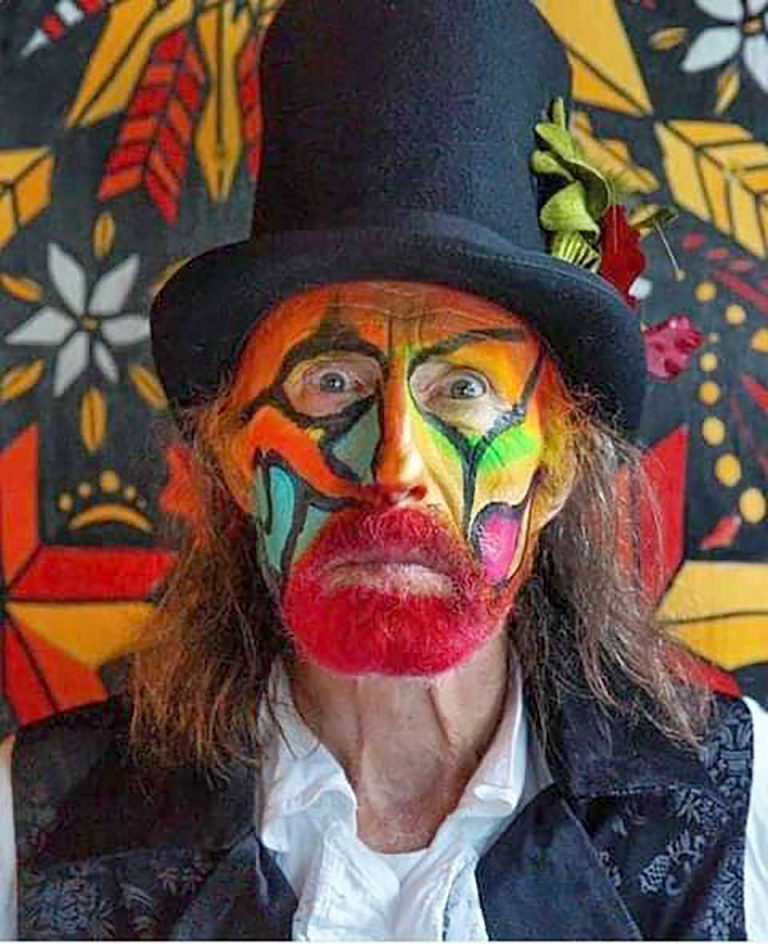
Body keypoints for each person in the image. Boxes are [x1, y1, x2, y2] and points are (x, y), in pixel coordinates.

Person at [2, 0, 767, 939]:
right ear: (233, 452)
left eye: (464, 390)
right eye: (332, 382)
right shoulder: (34, 829)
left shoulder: (744, 814)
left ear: (557, 468)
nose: (395, 465)